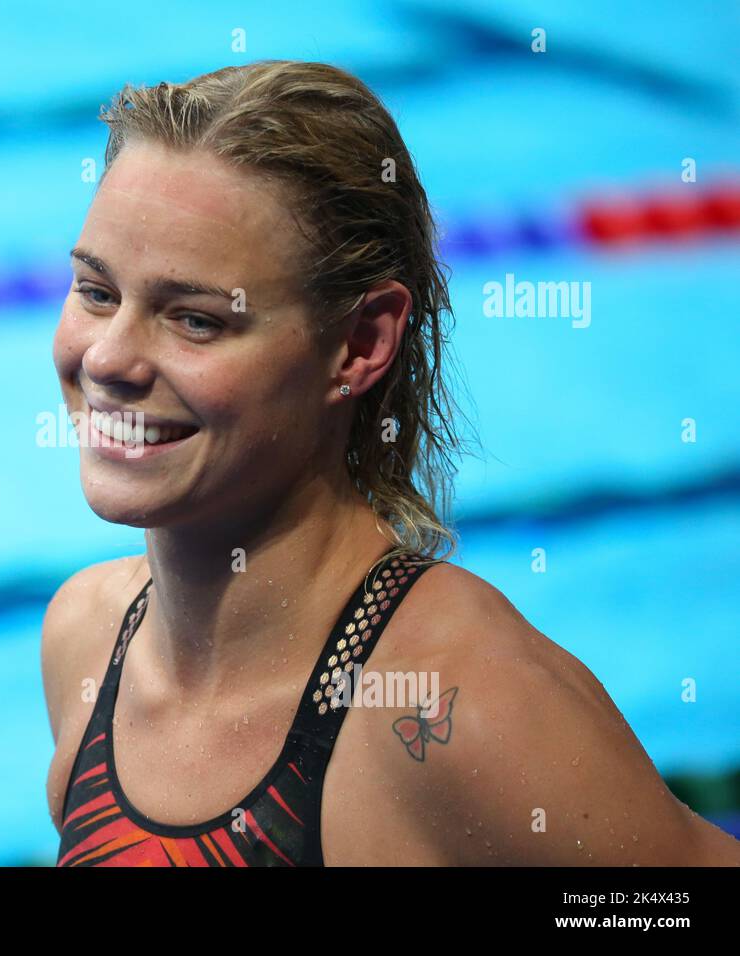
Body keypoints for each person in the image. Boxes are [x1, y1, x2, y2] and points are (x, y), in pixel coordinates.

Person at [41, 60, 740, 866]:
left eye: (195, 320)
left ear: (362, 343)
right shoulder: (89, 642)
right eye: (96, 292)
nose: (109, 360)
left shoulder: (455, 707)